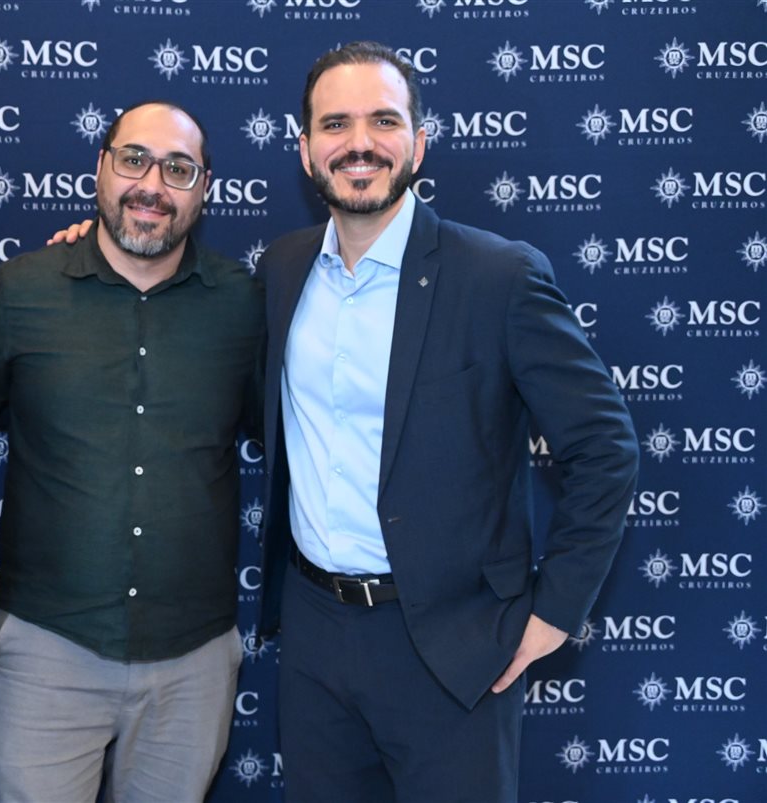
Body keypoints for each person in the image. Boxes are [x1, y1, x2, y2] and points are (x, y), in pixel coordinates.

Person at [252, 41, 639, 802]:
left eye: (383, 120)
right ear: (305, 151)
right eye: (335, 124)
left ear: (419, 143)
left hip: (456, 644)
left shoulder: (499, 276)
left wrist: (554, 613)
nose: (358, 142)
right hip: (313, 639)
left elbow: (604, 447)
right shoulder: (282, 267)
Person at [0, 101, 263, 803]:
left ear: (206, 187)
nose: (152, 184)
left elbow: (295, 440)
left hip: (195, 659)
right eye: (134, 159)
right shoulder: (23, 290)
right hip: (49, 648)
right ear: (100, 167)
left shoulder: (245, 305)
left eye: (178, 169)